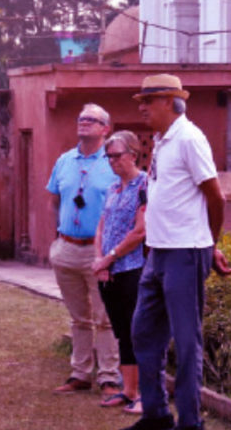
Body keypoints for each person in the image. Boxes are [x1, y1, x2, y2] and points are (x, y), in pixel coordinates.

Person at [123, 74, 231, 430]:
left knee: (186, 342)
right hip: (158, 252)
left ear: (171, 102)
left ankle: (190, 422)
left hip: (186, 252)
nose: (141, 107)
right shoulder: (162, 140)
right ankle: (155, 415)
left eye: (148, 101)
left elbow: (216, 196)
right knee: (143, 332)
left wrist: (210, 244)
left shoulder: (189, 138)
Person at [46, 103, 120, 396]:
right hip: (67, 249)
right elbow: (54, 200)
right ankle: (80, 373)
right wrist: (57, 239)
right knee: (79, 318)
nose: (84, 123)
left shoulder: (112, 161)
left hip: (99, 252)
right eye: (81, 118)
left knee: (105, 317)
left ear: (106, 129)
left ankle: (109, 376)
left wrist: (109, 253)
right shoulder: (64, 161)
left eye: (92, 120)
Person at [90, 131, 147, 414]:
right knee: (122, 332)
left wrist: (110, 258)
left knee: (139, 332)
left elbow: (140, 231)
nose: (112, 161)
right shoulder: (113, 189)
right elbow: (103, 225)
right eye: (108, 156)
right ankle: (128, 390)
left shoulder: (144, 185)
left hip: (132, 269)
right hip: (109, 272)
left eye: (117, 155)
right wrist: (100, 259)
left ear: (133, 155)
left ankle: (145, 395)